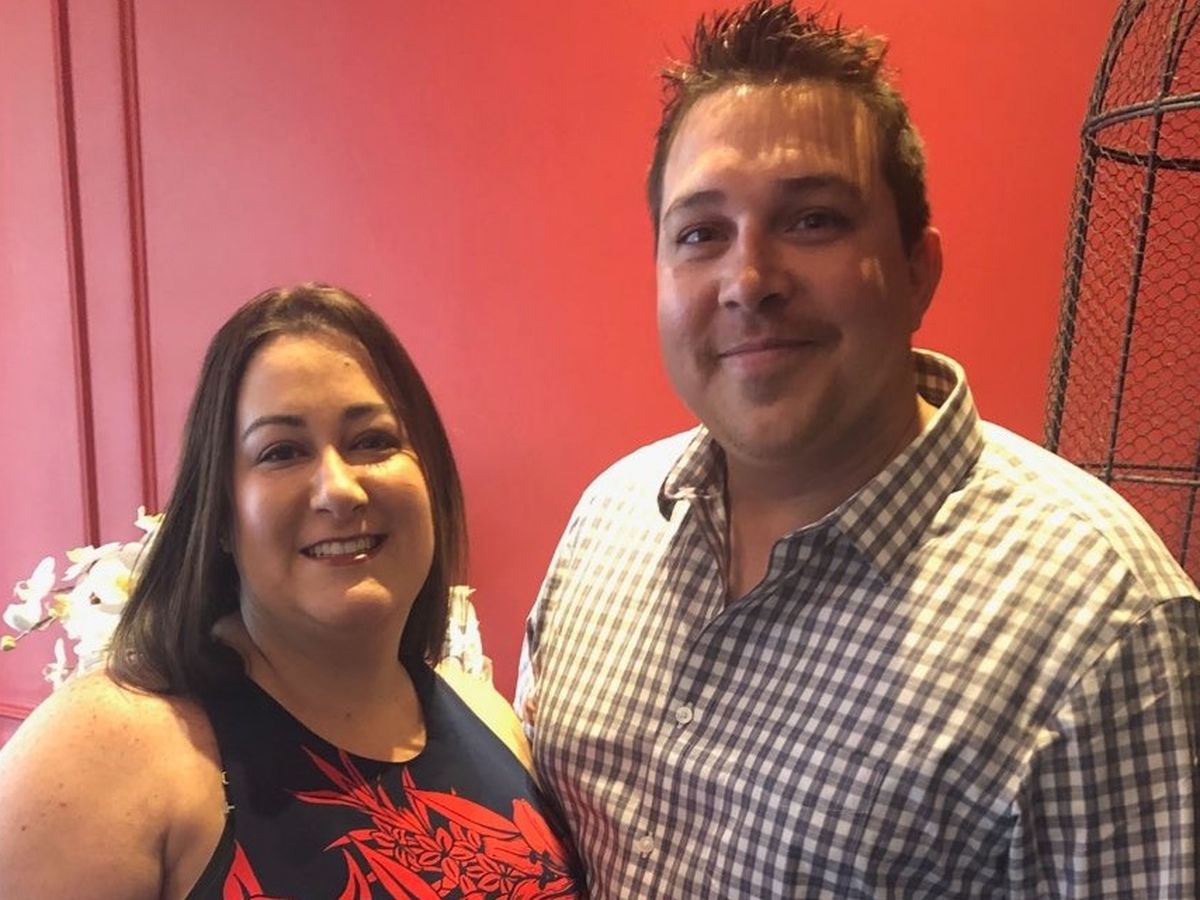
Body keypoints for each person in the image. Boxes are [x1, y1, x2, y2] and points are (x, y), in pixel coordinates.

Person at [515, 2, 1200, 897]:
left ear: (917, 271)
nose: (749, 282)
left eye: (813, 220)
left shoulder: (1104, 626)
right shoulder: (605, 525)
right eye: (701, 234)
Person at [0, 284, 581, 899]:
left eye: (373, 441)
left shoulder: (486, 713)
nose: (340, 490)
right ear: (220, 514)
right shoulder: (106, 750)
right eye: (282, 452)